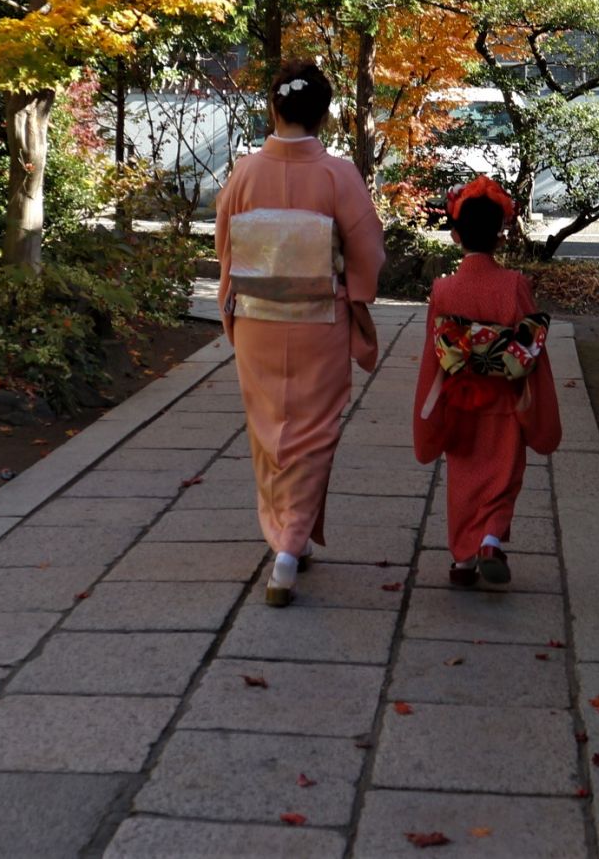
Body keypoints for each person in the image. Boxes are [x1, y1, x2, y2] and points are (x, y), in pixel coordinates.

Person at [216, 60, 385, 606]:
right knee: (313, 431)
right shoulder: (339, 175)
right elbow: (367, 251)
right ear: (325, 115)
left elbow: (226, 249)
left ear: (275, 107)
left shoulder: (244, 172)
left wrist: (230, 307)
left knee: (269, 428)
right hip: (318, 319)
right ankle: (289, 548)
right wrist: (356, 296)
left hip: (258, 321)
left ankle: (289, 536)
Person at [411, 176, 560, 588]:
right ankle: (490, 540)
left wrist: (428, 407)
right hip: (505, 399)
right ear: (500, 236)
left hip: (460, 399)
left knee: (464, 476)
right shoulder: (515, 286)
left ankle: (462, 561)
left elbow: (434, 356)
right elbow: (532, 348)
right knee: (502, 475)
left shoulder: (444, 289)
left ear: (456, 235)